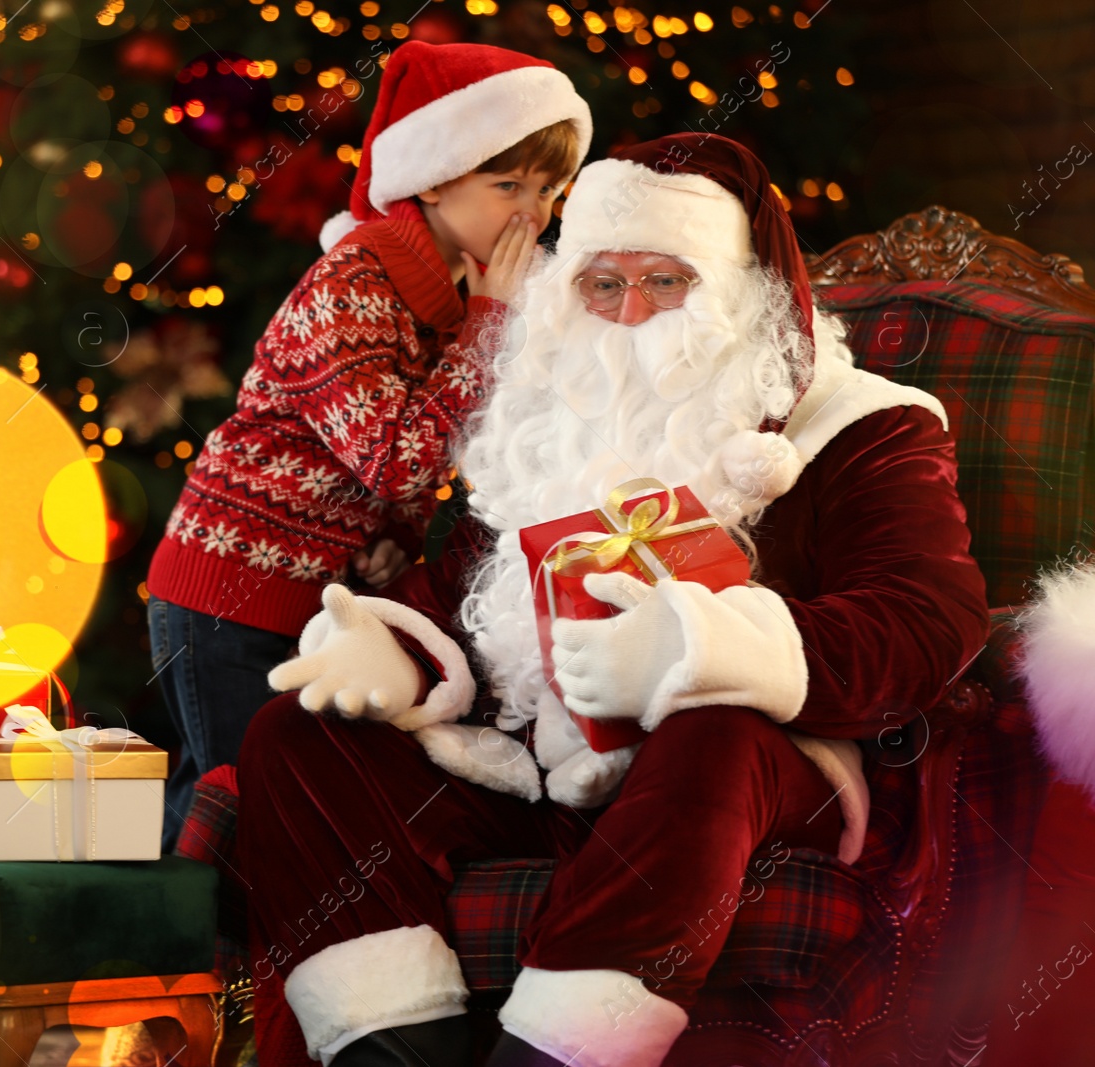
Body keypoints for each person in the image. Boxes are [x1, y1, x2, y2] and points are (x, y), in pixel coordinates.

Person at [234, 133, 990, 1067]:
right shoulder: (546, 420)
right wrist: (396, 650)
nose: (629, 311)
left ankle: (558, 1052)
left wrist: (697, 649)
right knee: (298, 738)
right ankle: (391, 1050)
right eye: (603, 283)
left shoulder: (863, 424)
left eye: (666, 281)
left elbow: (927, 620)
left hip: (744, 774)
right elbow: (462, 596)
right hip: (534, 763)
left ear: (736, 291)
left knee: (708, 736)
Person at [146, 41, 593, 847]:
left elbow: (402, 462)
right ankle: (181, 969)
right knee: (236, 806)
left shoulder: (446, 295)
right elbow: (395, 454)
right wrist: (489, 326)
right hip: (228, 591)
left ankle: (179, 966)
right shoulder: (353, 284)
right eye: (508, 185)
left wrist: (385, 539)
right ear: (433, 175)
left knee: (248, 808)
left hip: (309, 596)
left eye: (548, 190)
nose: (534, 214)